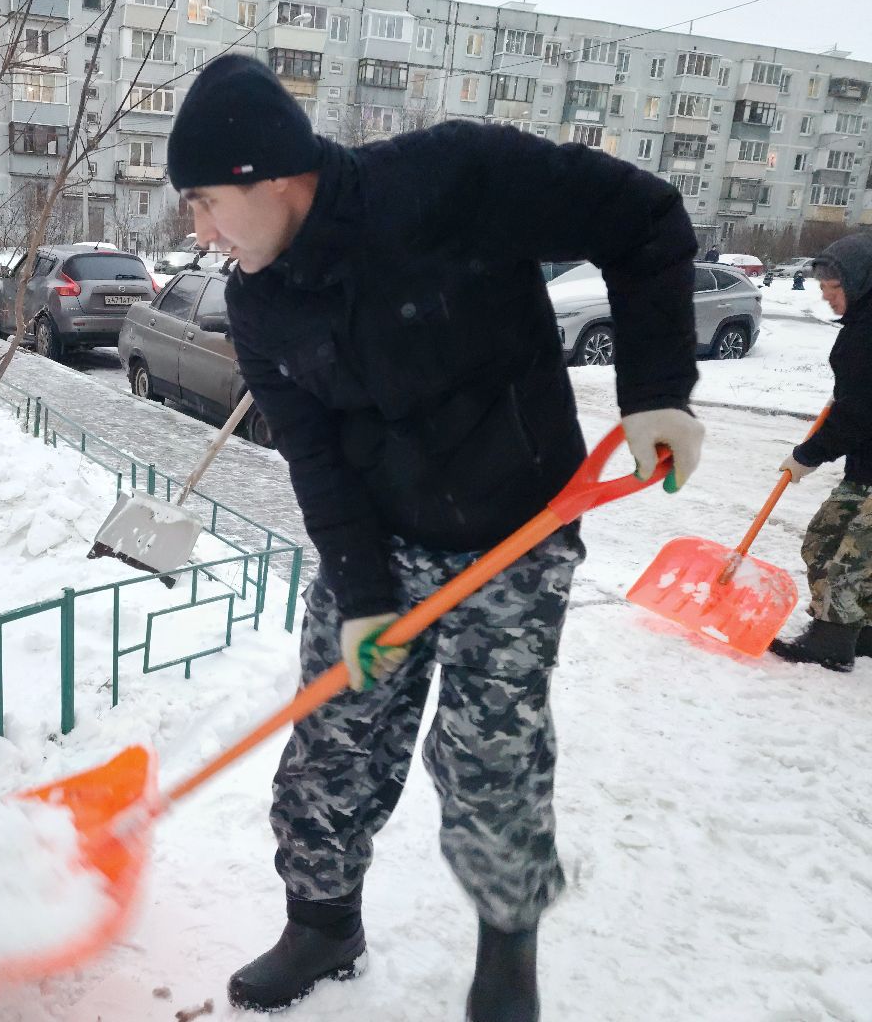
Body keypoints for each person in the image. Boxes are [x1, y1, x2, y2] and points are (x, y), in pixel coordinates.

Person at [165, 55, 705, 1020]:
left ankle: (508, 951)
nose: (197, 232)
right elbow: (316, 462)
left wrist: (657, 392)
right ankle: (323, 922)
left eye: (204, 203)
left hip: (519, 525)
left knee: (490, 751)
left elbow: (644, 219)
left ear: (270, 178)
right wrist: (366, 594)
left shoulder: (452, 182)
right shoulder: (260, 300)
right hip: (379, 534)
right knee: (334, 736)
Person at [769, 234, 872, 673]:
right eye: (823, 289)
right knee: (821, 541)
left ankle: (832, 642)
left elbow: (858, 413)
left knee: (850, 559)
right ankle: (859, 630)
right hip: (865, 467)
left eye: (835, 289)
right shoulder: (860, 326)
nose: (828, 298)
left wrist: (809, 454)